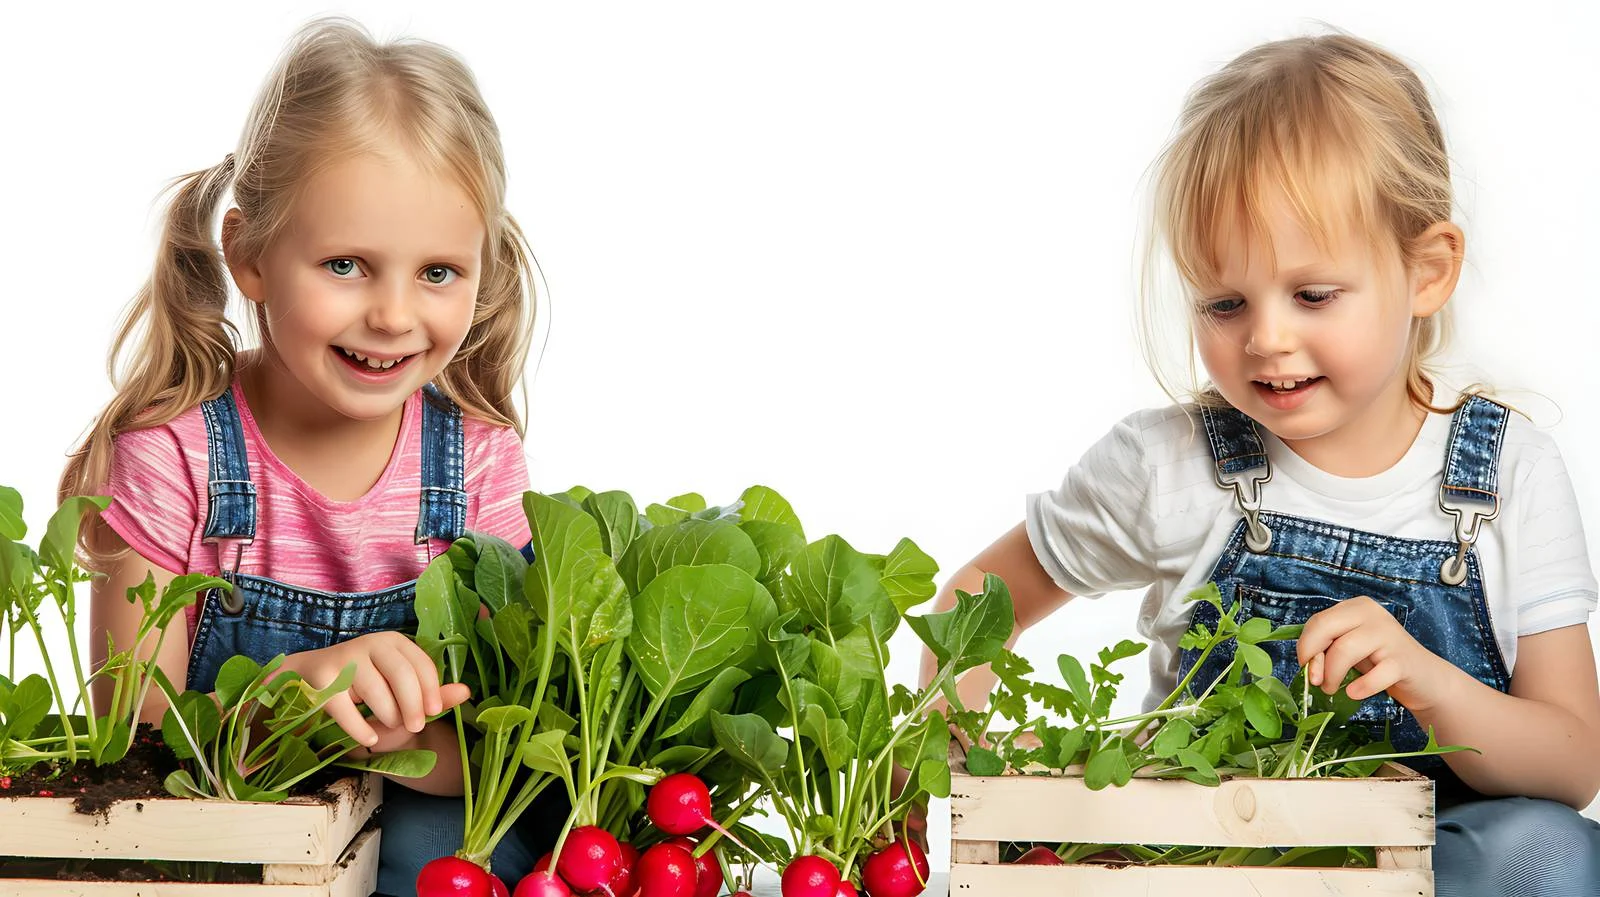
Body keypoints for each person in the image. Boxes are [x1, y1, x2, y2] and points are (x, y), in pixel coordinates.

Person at [921, 31, 1600, 896]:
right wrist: (956, 748)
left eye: (1313, 294)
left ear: (1427, 271)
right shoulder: (1169, 465)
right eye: (1225, 302)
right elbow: (986, 595)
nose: (1267, 338)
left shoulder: (1509, 477)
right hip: (1209, 859)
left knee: (1552, 855)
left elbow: (1572, 762)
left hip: (1433, 867)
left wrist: (1430, 683)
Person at [61, 18, 549, 895]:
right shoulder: (173, 455)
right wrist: (286, 703)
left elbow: (496, 752)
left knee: (435, 846)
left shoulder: (478, 461)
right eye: (346, 265)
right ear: (249, 254)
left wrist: (386, 734)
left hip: (418, 832)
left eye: (438, 272)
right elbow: (133, 748)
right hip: (230, 825)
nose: (393, 315)